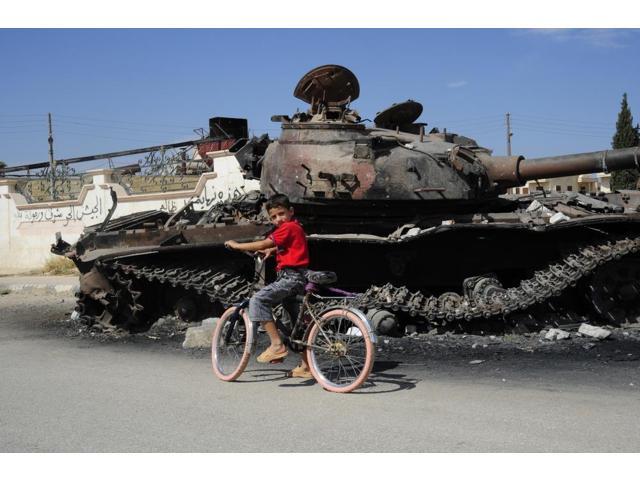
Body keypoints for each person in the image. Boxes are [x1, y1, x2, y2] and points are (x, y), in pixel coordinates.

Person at [224, 194, 312, 379]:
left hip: (290, 278)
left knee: (258, 300)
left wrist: (238, 245)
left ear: (291, 212)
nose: (278, 219)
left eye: (281, 214)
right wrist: (271, 251)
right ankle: (306, 366)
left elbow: (266, 241)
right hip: (298, 278)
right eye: (273, 217)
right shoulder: (295, 227)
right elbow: (290, 246)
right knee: (292, 326)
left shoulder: (287, 227)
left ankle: (276, 346)